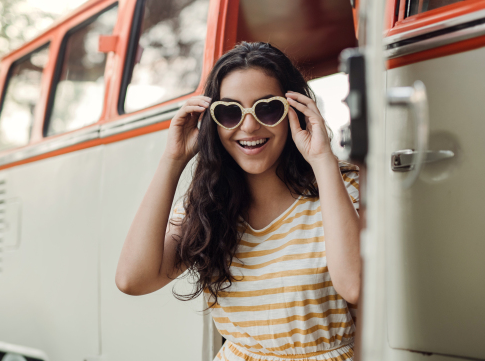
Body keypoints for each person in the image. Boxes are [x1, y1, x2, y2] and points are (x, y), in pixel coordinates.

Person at [115, 42, 361, 361]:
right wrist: (173, 159)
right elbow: (133, 279)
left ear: (295, 111)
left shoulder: (343, 185)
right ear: (213, 122)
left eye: (267, 108)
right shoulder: (206, 205)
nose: (248, 126)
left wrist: (322, 159)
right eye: (229, 112)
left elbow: (355, 286)